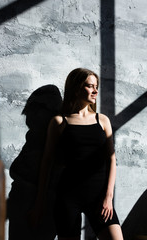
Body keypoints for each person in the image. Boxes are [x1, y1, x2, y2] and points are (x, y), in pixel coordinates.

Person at [32, 68, 124, 240]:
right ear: (76, 88)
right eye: (90, 86)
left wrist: (108, 197)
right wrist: (40, 202)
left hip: (99, 197)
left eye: (96, 86)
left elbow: (111, 159)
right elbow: (47, 162)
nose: (96, 91)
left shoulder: (102, 120)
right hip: (68, 197)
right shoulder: (59, 122)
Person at [7, 85, 62, 240]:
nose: (30, 117)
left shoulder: (48, 141)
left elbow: (47, 178)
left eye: (37, 111)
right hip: (25, 202)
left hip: (35, 205)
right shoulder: (34, 137)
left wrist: (39, 207)